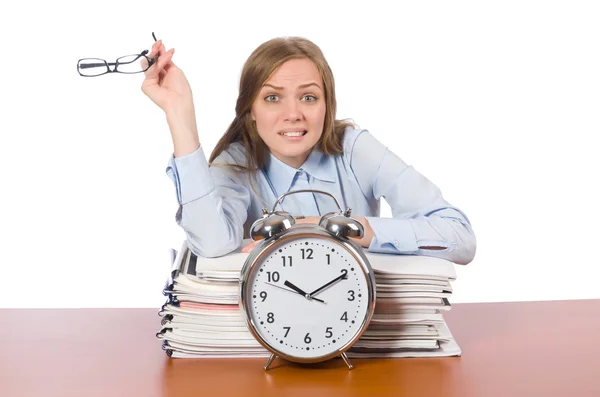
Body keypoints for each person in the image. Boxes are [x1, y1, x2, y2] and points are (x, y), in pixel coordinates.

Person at [141, 37, 476, 265]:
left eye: (309, 97)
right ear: (250, 110)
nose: (293, 114)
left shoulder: (354, 149)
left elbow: (459, 236)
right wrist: (179, 113)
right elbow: (211, 245)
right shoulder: (235, 164)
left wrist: (336, 226)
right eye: (272, 98)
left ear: (327, 106)